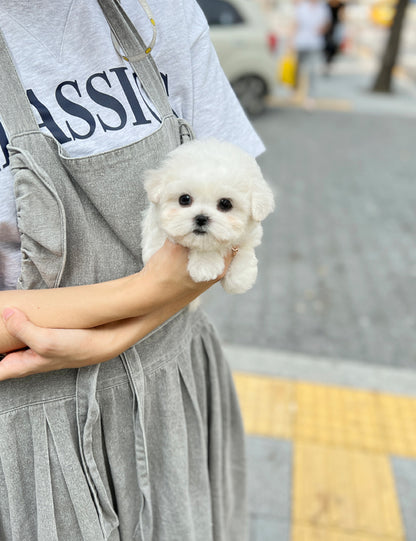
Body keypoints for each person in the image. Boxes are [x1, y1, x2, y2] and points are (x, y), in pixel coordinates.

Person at [0, 0, 265, 539]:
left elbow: (240, 207)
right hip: (24, 434)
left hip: (176, 393)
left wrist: (117, 333)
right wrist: (145, 296)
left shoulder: (160, 10)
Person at [291, 0, 331, 108]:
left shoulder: (323, 8)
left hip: (315, 43)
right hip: (301, 42)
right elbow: (296, 24)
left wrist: (323, 29)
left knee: (312, 70)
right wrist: (291, 42)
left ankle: (310, 96)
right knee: (297, 69)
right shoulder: (302, 7)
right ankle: (295, 91)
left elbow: (327, 22)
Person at [323, 0, 346, 74]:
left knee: (334, 46)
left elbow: (343, 17)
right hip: (328, 28)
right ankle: (327, 61)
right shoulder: (326, 5)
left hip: (336, 27)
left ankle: (329, 62)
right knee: (327, 45)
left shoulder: (341, 5)